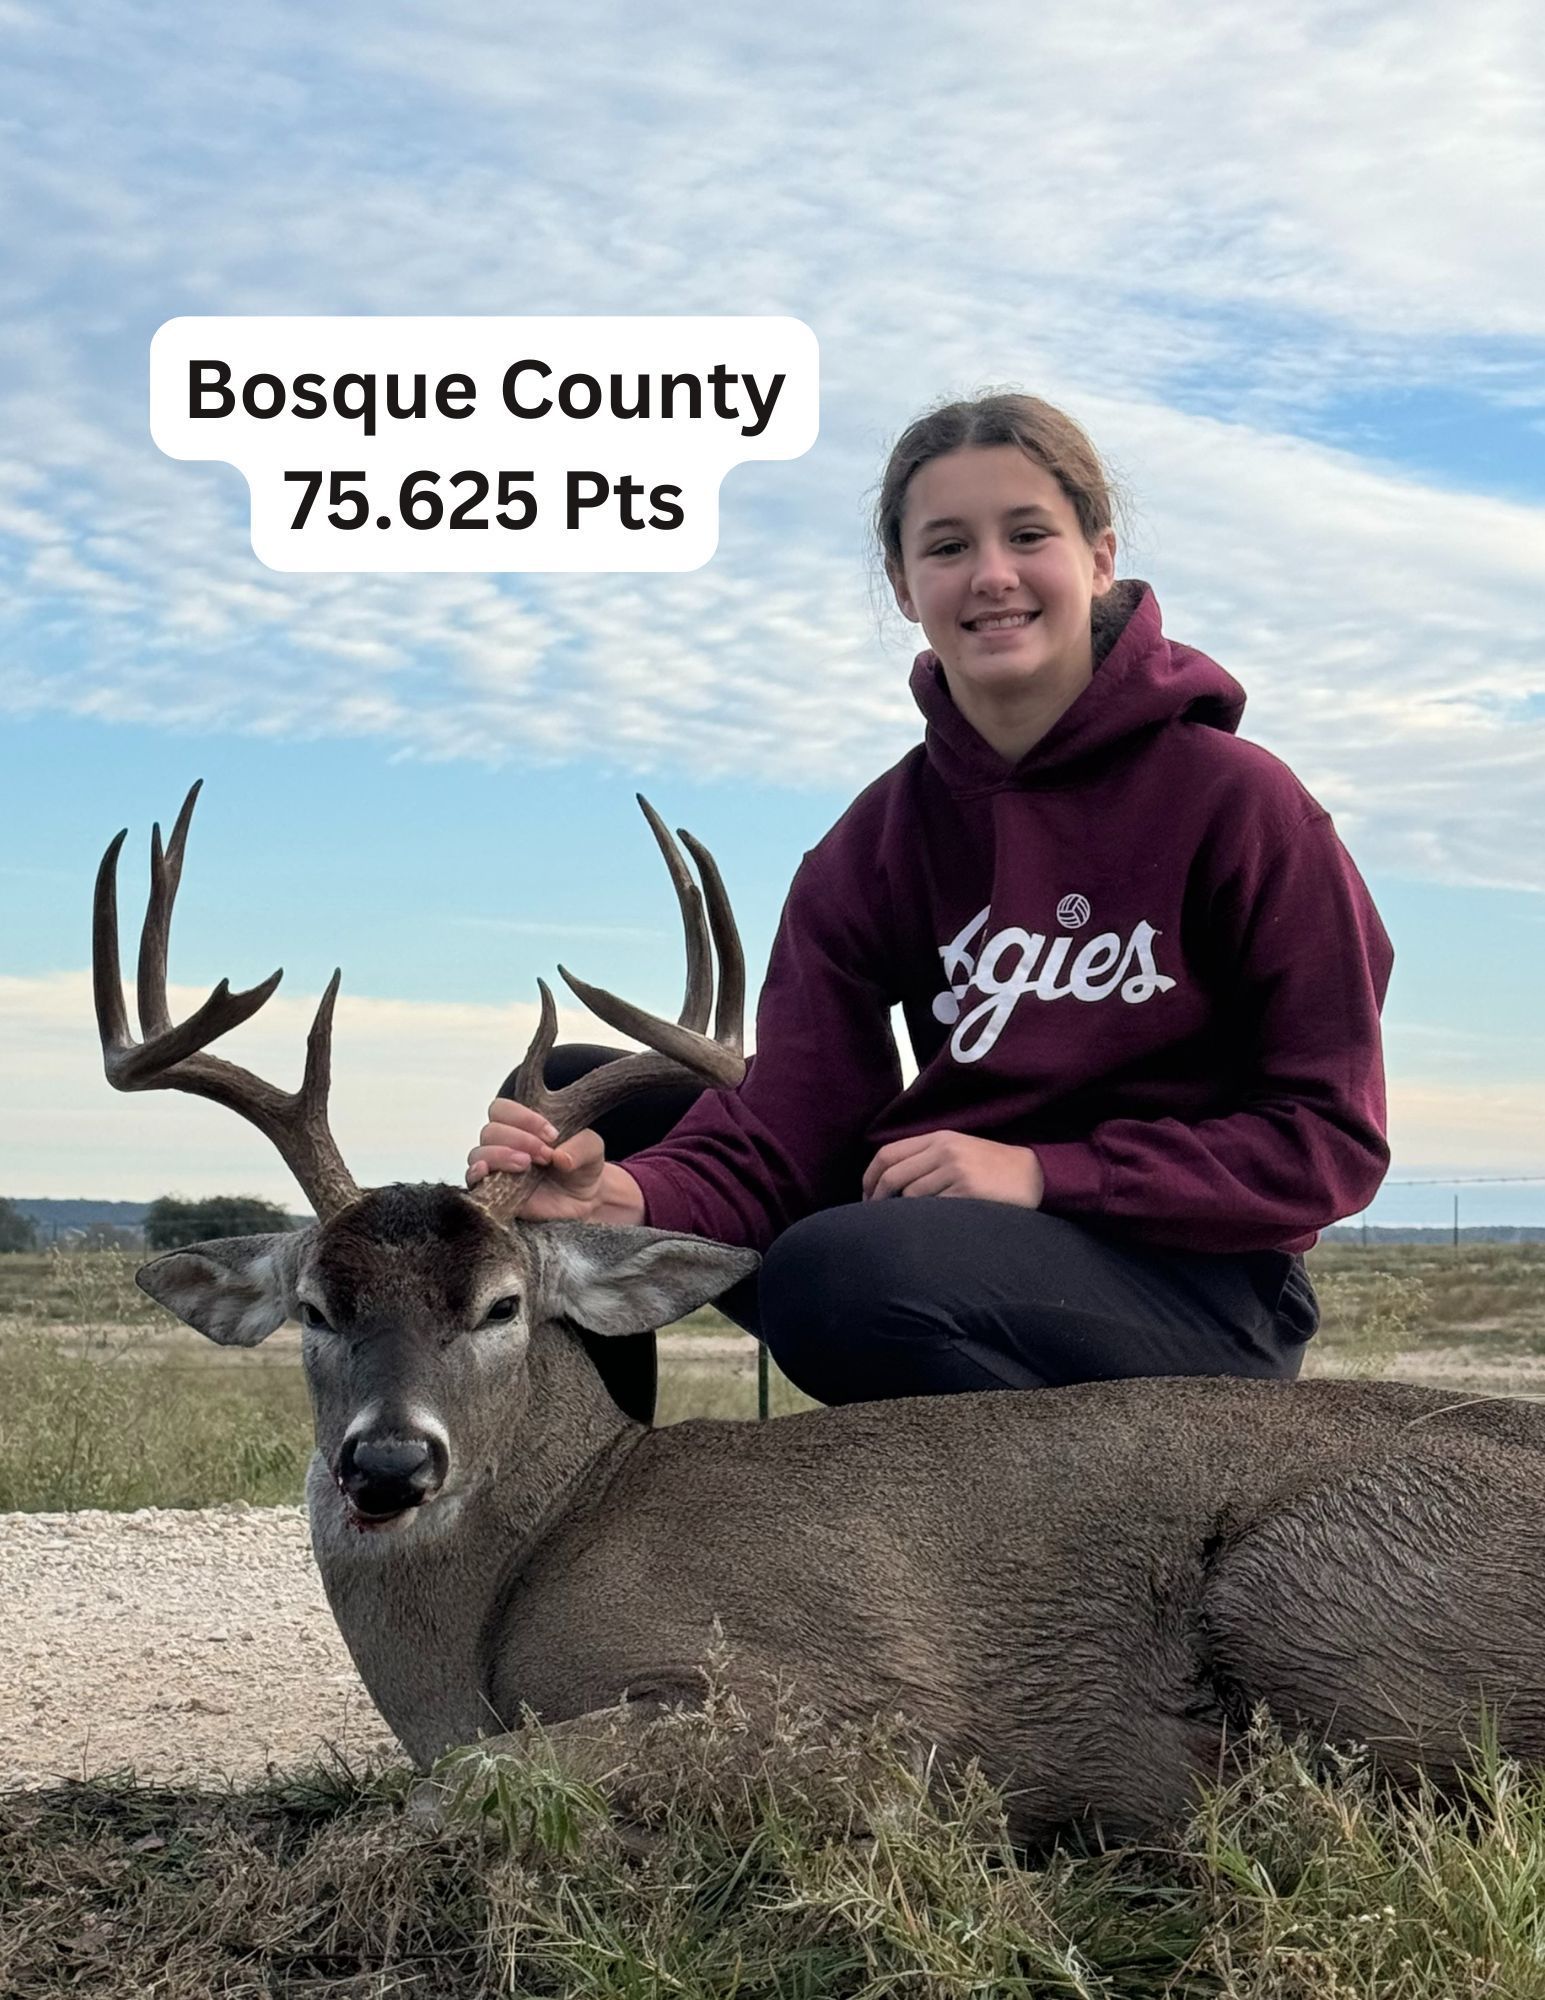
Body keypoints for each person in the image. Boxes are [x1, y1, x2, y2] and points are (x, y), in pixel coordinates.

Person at [467, 393, 1392, 1423]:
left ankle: (1076, 1531)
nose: (991, 574)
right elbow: (794, 1128)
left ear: (1098, 557)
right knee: (582, 1096)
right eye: (947, 547)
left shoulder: (1242, 804)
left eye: (1028, 534)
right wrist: (618, 1202)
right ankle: (587, 1528)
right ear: (906, 587)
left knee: (840, 1272)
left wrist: (1046, 1171)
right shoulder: (878, 842)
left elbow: (1328, 1141)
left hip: (1198, 1293)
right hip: (951, 1239)